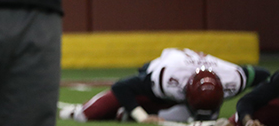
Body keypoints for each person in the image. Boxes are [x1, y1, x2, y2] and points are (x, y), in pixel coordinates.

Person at [59, 48, 270, 123]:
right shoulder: (166, 79)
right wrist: (141, 117)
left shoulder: (233, 78)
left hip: (182, 94)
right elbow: (122, 87)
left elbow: (266, 79)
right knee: (87, 115)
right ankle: (130, 112)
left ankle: (129, 113)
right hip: (159, 72)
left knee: (191, 117)